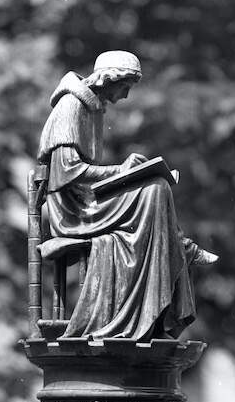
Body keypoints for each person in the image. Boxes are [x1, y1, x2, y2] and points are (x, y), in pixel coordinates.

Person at [37, 50, 215, 341]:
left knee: (158, 183)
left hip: (88, 198)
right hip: (74, 209)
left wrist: (122, 172)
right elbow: (66, 172)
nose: (126, 96)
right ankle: (180, 247)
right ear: (109, 78)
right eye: (126, 86)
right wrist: (119, 170)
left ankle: (177, 247)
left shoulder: (91, 108)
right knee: (155, 188)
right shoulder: (71, 106)